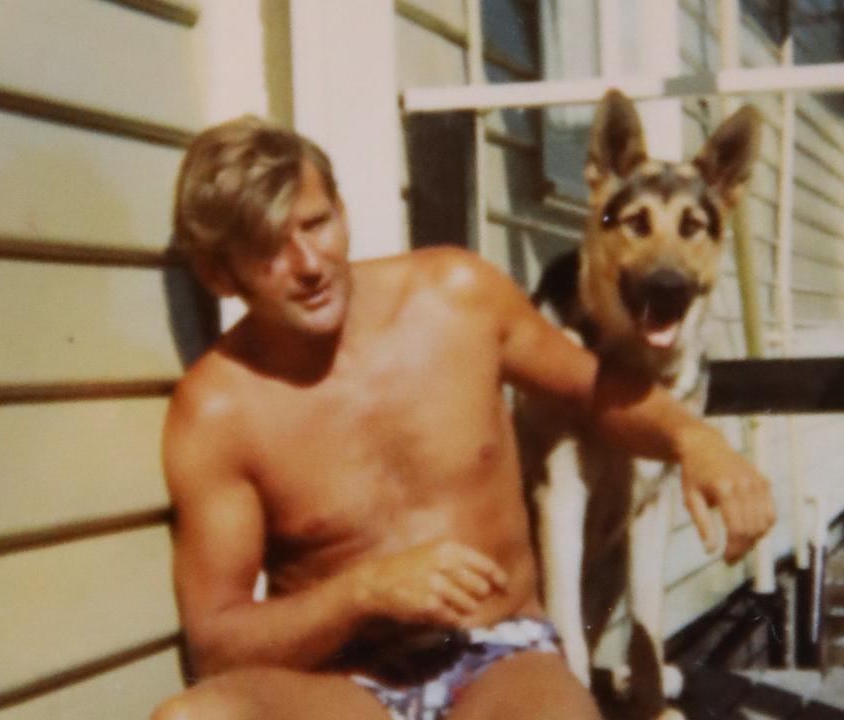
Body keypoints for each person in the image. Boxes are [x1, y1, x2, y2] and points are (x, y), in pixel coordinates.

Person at [151, 115, 775, 720]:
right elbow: (217, 642)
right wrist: (362, 593)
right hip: (342, 678)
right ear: (218, 273)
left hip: (498, 653)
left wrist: (694, 438)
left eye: (317, 224)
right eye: (267, 249)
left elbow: (596, 387)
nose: (309, 263)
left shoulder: (456, 298)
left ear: (343, 213)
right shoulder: (216, 413)